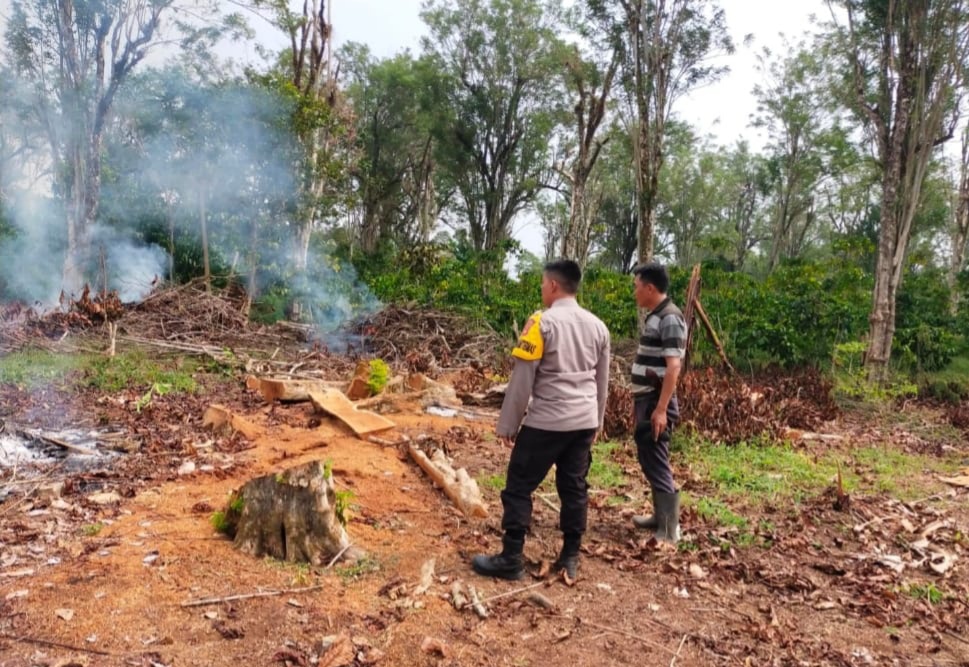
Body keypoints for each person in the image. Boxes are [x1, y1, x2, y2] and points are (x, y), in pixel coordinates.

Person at [471, 259, 610, 581]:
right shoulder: (598, 326)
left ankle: (511, 558)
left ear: (553, 286)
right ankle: (570, 556)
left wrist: (508, 425)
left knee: (519, 487)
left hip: (547, 420)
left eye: (542, 284)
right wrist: (597, 423)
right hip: (583, 421)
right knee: (574, 488)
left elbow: (522, 381)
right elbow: (601, 382)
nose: (542, 290)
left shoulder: (541, 323)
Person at [629, 262, 687, 543]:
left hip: (655, 400)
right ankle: (659, 517)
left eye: (637, 287)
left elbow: (673, 366)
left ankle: (669, 529)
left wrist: (661, 409)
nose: (635, 292)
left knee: (656, 458)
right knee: (648, 456)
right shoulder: (657, 315)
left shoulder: (670, 318)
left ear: (650, 288)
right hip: (647, 398)